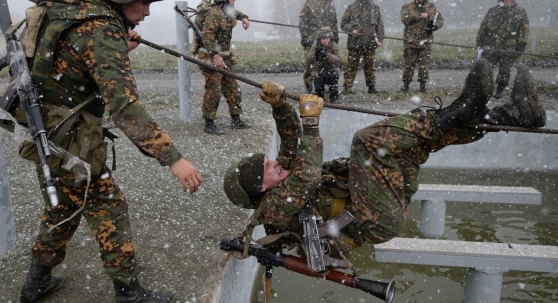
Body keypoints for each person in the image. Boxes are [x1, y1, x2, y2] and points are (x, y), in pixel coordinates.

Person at [223, 59, 545, 264]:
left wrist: (279, 105)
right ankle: (458, 111)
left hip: (377, 198)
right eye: (267, 169)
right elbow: (306, 177)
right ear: (260, 190)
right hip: (374, 218)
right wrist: (312, 123)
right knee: (366, 142)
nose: (275, 164)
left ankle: (511, 115)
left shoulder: (280, 178)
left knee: (412, 143)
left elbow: (291, 142)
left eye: (268, 161)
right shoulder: (273, 208)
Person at [15, 0, 202, 303]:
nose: (147, 11)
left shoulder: (75, 10)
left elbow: (76, 62)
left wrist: (118, 49)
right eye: (143, 2)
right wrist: (173, 158)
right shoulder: (102, 32)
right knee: (108, 206)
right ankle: (129, 294)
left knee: (63, 206)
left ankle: (36, 281)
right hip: (69, 139)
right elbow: (125, 108)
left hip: (45, 129)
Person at [197, 0, 252, 135]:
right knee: (214, 89)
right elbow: (207, 37)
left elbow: (236, 12)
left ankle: (236, 119)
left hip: (223, 58)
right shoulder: (214, 14)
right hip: (210, 58)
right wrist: (215, 56)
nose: (234, 0)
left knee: (233, 88)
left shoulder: (226, 11)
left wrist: (244, 17)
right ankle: (209, 123)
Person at [477, 0, 529, 99]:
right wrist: (480, 41)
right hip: (491, 46)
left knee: (505, 70)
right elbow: (483, 27)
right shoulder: (493, 11)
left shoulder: (520, 12)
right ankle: (483, 89)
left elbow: (524, 29)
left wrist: (521, 44)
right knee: (486, 68)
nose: (513, 0)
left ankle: (500, 90)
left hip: (509, 47)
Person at [340, 0, 385, 94]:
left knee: (370, 65)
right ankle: (347, 87)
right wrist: (351, 31)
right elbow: (343, 24)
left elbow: (380, 25)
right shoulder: (352, 7)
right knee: (351, 65)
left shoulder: (375, 8)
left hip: (370, 42)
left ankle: (371, 86)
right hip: (355, 43)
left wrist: (380, 39)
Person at [400, 0, 444, 93]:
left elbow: (440, 20)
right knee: (409, 64)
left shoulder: (432, 7)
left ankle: (423, 86)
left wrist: (435, 26)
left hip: (425, 42)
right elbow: (405, 19)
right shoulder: (408, 7)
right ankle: (406, 85)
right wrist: (420, 16)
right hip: (411, 42)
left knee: (423, 65)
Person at [299, 0, 340, 94]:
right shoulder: (310, 3)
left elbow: (334, 22)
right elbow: (302, 20)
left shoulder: (331, 4)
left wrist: (335, 37)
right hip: (312, 38)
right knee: (310, 62)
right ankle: (308, 85)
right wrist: (304, 36)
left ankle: (323, 85)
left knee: (329, 61)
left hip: (327, 39)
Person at [305, 28, 342, 103]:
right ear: (319, 39)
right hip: (318, 71)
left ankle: (334, 97)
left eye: (327, 38)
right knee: (318, 83)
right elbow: (308, 60)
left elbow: (338, 61)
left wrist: (327, 55)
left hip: (331, 70)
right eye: (323, 39)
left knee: (333, 79)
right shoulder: (315, 46)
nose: (326, 41)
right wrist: (315, 54)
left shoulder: (335, 46)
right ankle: (319, 99)